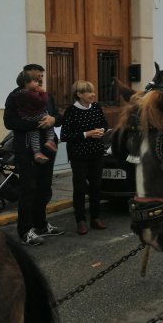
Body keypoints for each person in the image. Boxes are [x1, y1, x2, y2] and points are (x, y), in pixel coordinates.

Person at [4, 63, 65, 246]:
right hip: (27, 148)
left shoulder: (46, 95)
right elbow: (9, 122)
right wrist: (36, 124)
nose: (40, 79)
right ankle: (25, 230)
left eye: (41, 76)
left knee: (44, 187)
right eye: (37, 76)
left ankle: (41, 225)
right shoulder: (15, 97)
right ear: (26, 77)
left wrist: (53, 120)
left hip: (48, 147)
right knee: (28, 189)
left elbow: (58, 116)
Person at [61, 80, 109, 235]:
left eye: (93, 91)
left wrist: (101, 130)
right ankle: (80, 220)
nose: (93, 94)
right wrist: (87, 134)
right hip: (78, 155)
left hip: (96, 152)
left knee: (96, 186)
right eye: (89, 92)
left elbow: (104, 124)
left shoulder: (96, 107)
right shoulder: (71, 111)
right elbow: (65, 135)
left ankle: (95, 217)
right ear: (79, 94)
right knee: (80, 187)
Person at [12, 70, 58, 164]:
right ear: (26, 82)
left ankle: (37, 153)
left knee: (34, 135)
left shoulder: (18, 94)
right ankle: (50, 141)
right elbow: (42, 101)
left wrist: (55, 119)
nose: (39, 82)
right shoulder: (30, 93)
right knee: (48, 121)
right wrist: (43, 93)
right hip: (36, 116)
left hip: (26, 117)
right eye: (36, 81)